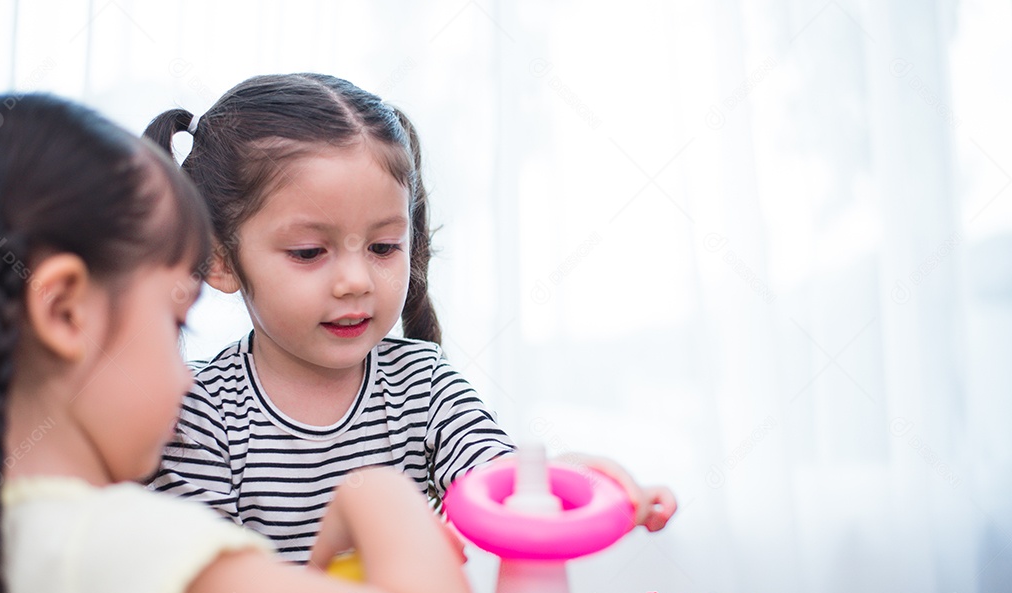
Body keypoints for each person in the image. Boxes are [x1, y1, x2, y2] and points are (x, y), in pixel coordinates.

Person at [0, 93, 496, 593]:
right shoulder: (139, 553)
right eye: (175, 324)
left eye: (384, 247)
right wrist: (376, 494)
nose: (186, 379)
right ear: (64, 312)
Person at [144, 73, 677, 566]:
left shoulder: (424, 385)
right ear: (218, 258)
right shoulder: (199, 415)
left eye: (382, 246)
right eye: (309, 251)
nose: (356, 280)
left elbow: (496, 480)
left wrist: (571, 480)